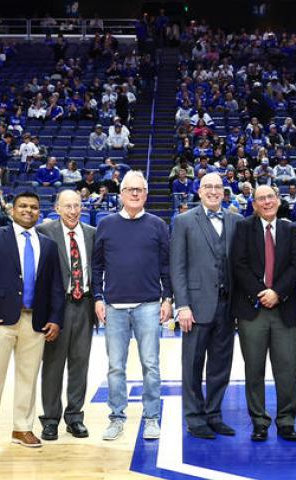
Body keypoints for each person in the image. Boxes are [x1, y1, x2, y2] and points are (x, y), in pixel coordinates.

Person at [0, 191, 65, 451]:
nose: (28, 210)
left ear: (39, 212)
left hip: (35, 321)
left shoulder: (48, 245)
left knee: (28, 377)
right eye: (23, 206)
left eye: (33, 207)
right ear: (12, 210)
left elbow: (56, 286)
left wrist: (55, 319)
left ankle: (22, 428)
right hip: (0, 319)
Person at [93, 171, 173, 442]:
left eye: (140, 189)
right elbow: (97, 266)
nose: (135, 194)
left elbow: (166, 265)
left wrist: (168, 298)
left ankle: (151, 417)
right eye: (130, 189)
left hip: (148, 305)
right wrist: (98, 297)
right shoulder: (106, 224)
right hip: (114, 306)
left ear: (146, 194)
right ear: (121, 193)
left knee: (151, 365)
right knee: (116, 367)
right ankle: (117, 417)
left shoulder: (158, 225)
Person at [170, 173, 243, 440]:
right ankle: (194, 418)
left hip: (227, 306)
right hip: (196, 306)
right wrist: (182, 305)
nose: (213, 191)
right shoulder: (184, 221)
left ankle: (214, 414)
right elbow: (177, 267)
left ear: (224, 192)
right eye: (208, 187)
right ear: (199, 191)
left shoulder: (236, 221)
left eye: (218, 187)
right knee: (192, 365)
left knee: (220, 366)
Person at [231, 185, 296, 442]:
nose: (267, 202)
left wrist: (277, 293)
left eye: (270, 197)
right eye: (261, 198)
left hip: (284, 308)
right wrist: (262, 292)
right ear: (254, 204)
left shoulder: (291, 230)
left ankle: (286, 421)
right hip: (253, 309)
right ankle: (259, 421)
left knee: (287, 369)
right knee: (254, 369)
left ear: (278, 200)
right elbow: (238, 264)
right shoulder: (243, 228)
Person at [36, 190, 96, 441]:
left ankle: (75, 418)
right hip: (57, 308)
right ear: (57, 208)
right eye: (67, 206)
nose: (73, 211)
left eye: (77, 206)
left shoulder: (92, 233)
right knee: (53, 364)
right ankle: (50, 419)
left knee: (80, 364)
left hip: (85, 305)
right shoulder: (44, 231)